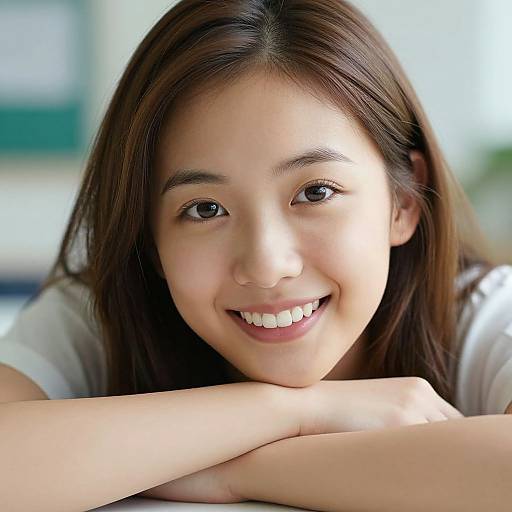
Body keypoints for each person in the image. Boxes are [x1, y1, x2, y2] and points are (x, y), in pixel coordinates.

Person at [1, 0, 511, 510]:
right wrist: (296, 411)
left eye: (315, 193)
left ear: (402, 201)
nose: (267, 265)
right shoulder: (100, 315)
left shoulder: (484, 316)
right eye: (205, 209)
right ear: (150, 237)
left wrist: (235, 471)